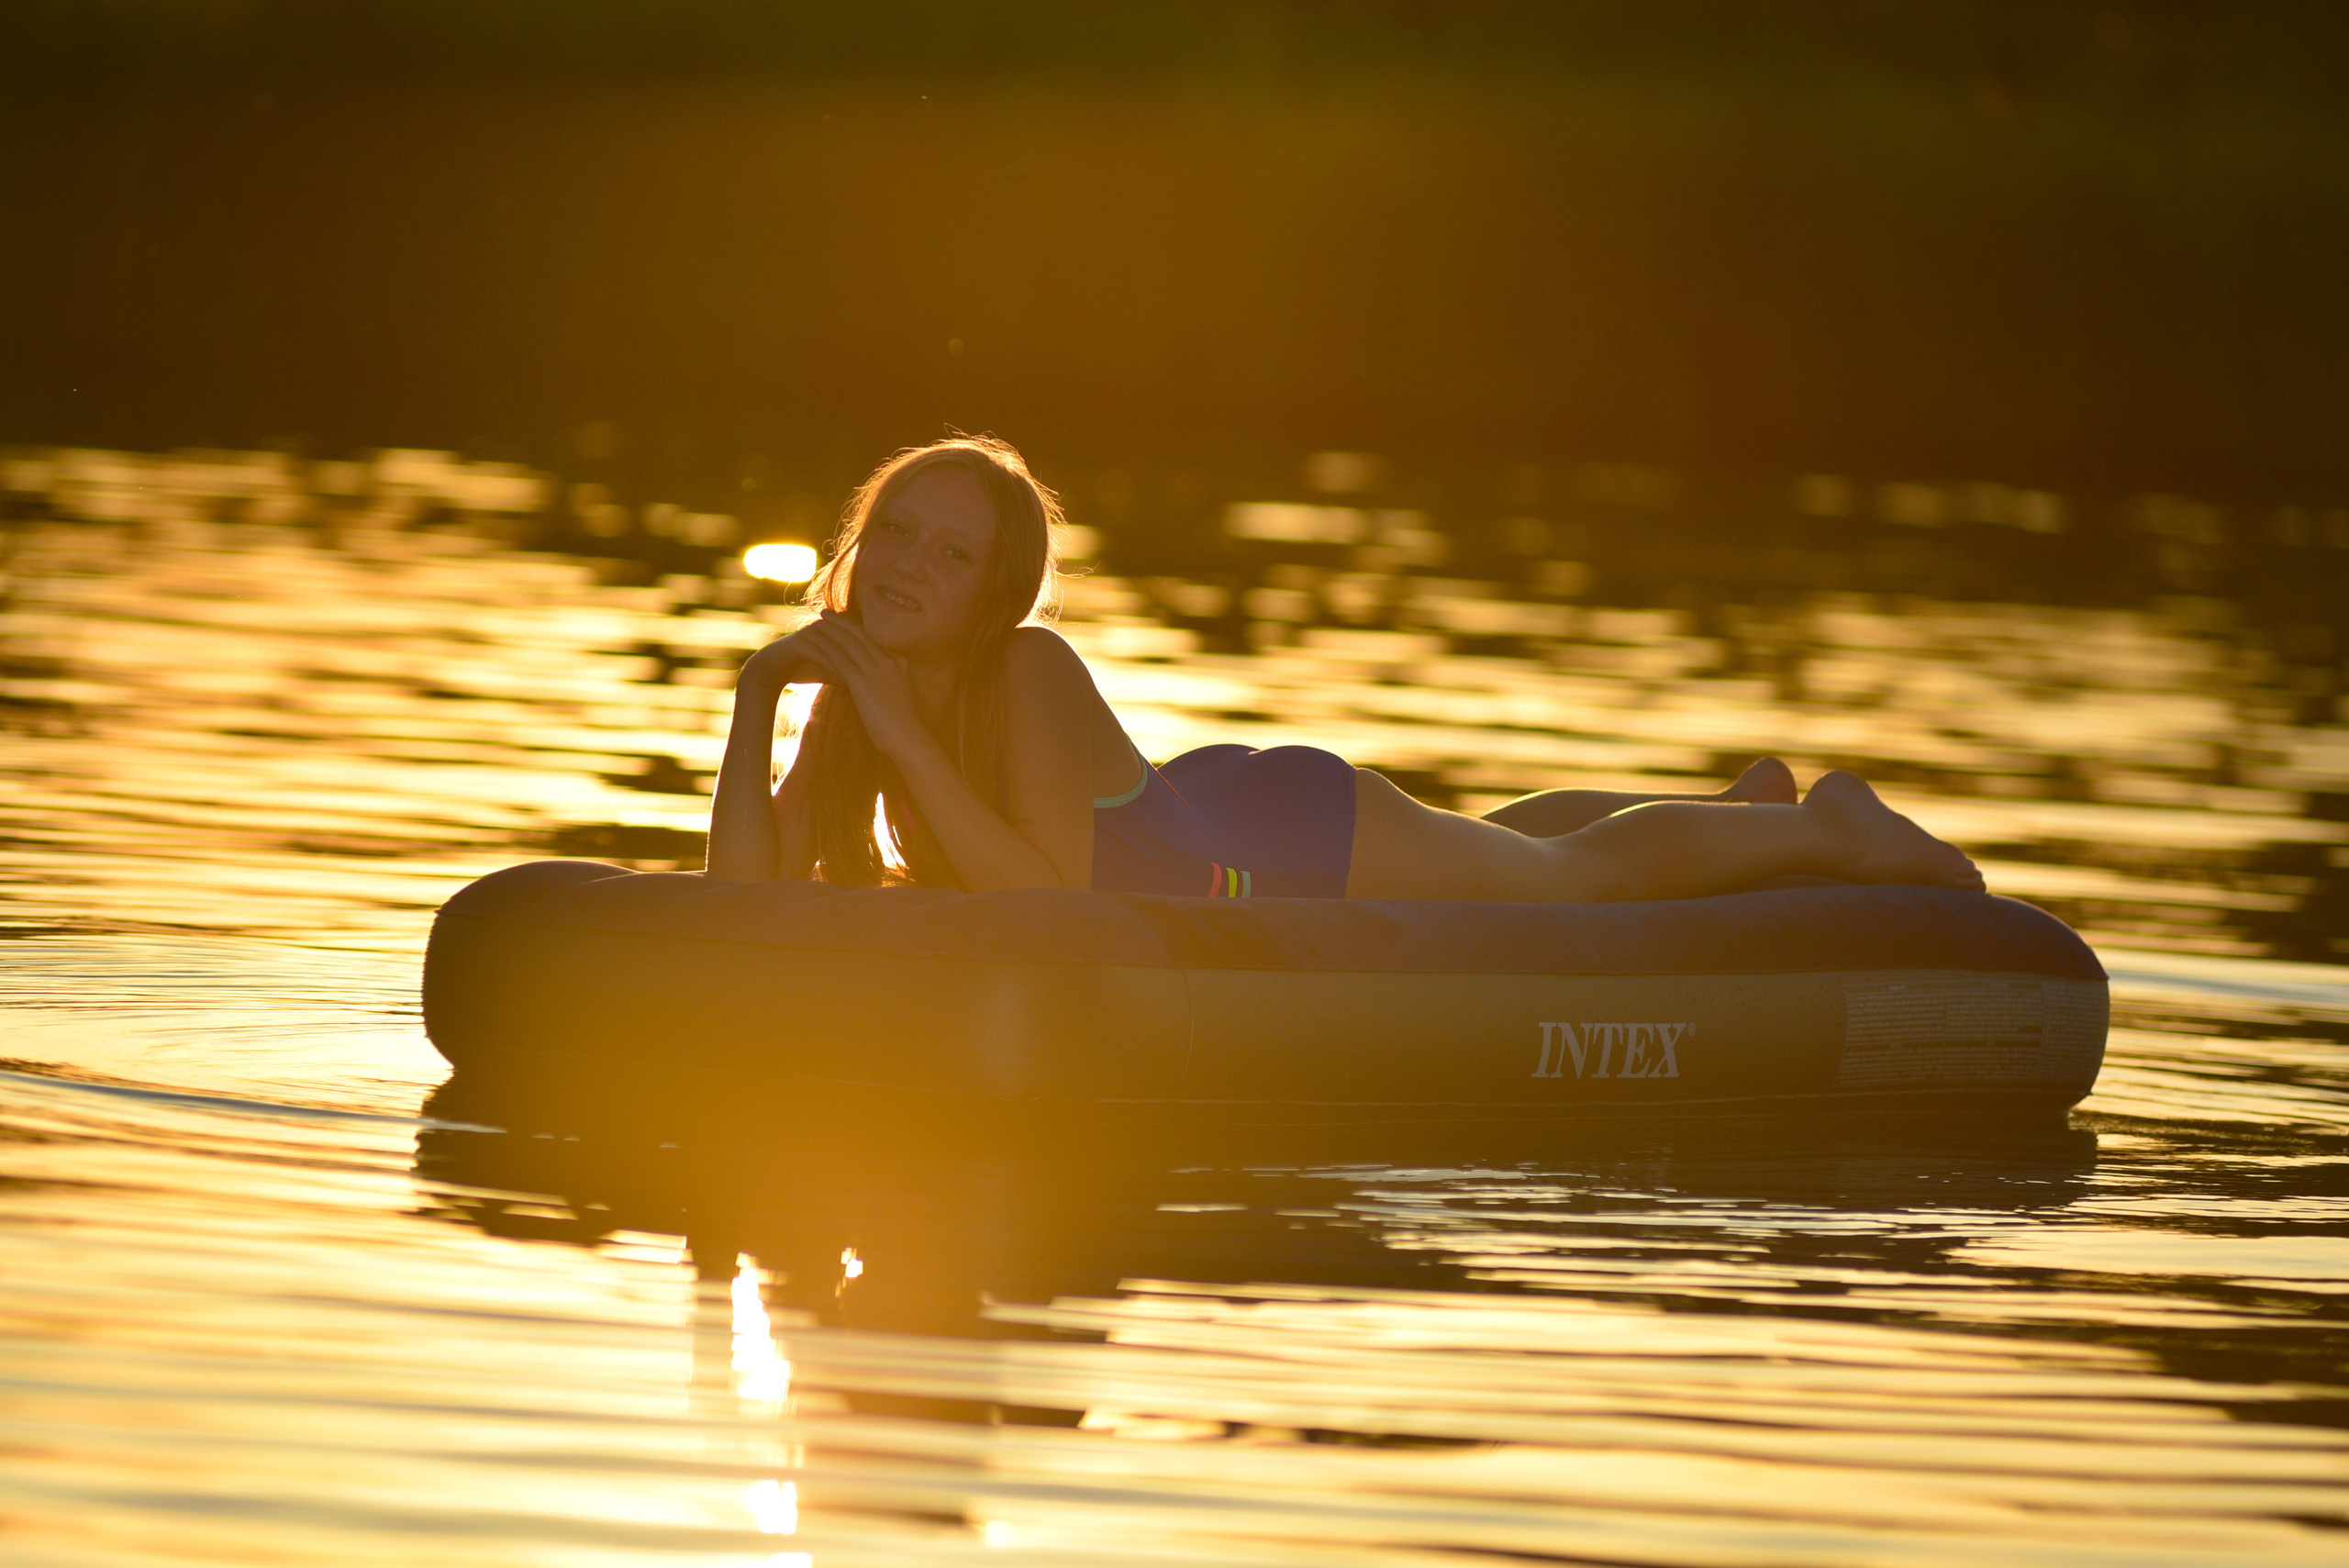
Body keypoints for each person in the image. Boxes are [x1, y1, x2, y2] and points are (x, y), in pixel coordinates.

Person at [707, 435, 1983, 901]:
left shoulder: (1026, 673)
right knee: (1488, 843)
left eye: (951, 549)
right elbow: (743, 897)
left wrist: (900, 732)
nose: (908, 565)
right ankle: (1734, 811)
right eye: (893, 535)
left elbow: (1046, 905)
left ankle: (1830, 829)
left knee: (1564, 881)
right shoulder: (861, 690)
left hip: (1284, 834)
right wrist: (762, 700)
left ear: (997, 590)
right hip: (1190, 807)